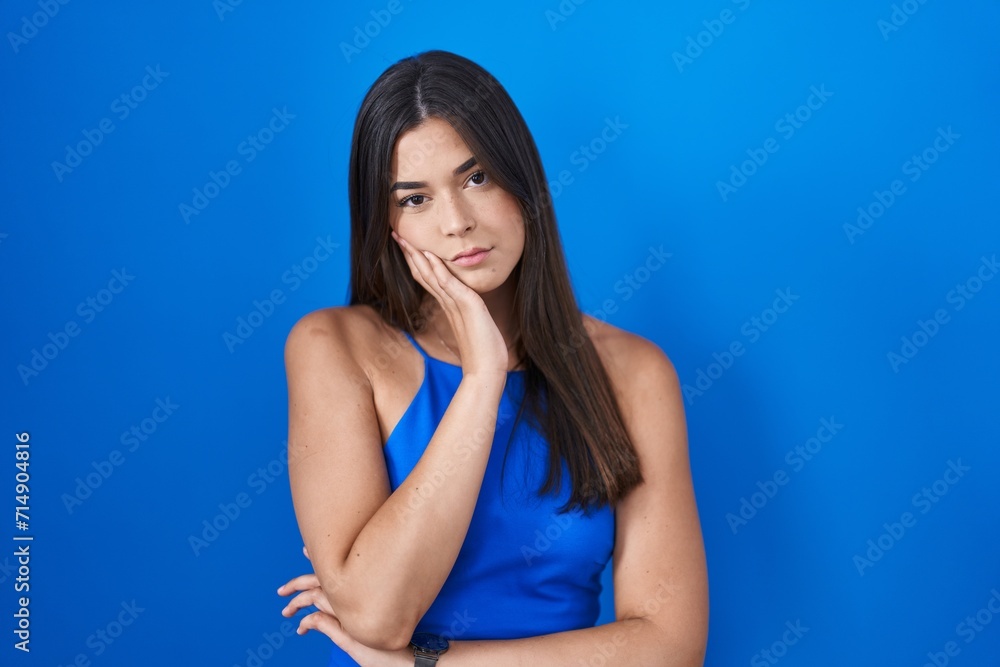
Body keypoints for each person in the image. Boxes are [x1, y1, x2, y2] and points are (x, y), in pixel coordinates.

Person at [276, 49, 708, 666]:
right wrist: (482, 379)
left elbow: (671, 646)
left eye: (476, 178)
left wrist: (432, 664)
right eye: (415, 199)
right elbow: (377, 616)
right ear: (385, 223)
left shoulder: (635, 373)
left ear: (521, 182)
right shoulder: (333, 347)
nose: (457, 222)